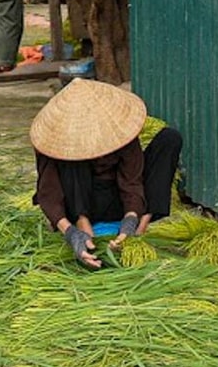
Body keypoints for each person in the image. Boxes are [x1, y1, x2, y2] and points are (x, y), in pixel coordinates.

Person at [31, 80, 182, 269]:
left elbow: (132, 182)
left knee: (169, 139)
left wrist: (131, 220)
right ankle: (83, 224)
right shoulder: (55, 139)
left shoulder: (121, 129)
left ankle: (140, 227)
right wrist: (71, 234)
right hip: (80, 203)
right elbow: (49, 194)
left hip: (118, 199)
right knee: (71, 157)